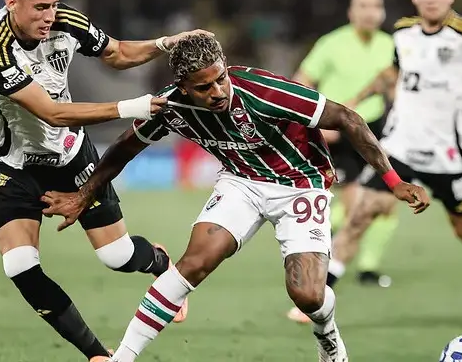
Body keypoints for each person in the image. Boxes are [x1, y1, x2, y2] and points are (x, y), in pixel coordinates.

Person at [41, 33, 431, 362]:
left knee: (308, 294)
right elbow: (124, 148)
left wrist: (393, 180)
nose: (217, 92)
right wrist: (83, 194)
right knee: (194, 263)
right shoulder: (169, 107)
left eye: (221, 79)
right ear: (182, 87)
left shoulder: (263, 91)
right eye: (204, 87)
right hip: (241, 181)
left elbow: (347, 118)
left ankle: (327, 334)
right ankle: (123, 357)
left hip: (301, 182)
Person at [0, 0, 208, 360]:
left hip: (68, 154)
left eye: (54, 4)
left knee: (116, 256)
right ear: (12, 3)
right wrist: (134, 106)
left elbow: (116, 53)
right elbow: (51, 112)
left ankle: (160, 262)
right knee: (20, 264)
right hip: (10, 163)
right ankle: (97, 354)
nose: (49, 16)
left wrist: (166, 43)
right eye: (40, 7)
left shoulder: (66, 20)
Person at [323, 0, 462, 289]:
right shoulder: (403, 32)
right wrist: (353, 104)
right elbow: (393, 73)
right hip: (399, 146)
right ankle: (319, 296)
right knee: (361, 214)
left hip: (447, 154)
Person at [293, 0, 398, 296]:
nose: (370, 12)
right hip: (338, 129)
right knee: (356, 204)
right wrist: (313, 119)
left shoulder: (390, 45)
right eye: (363, 6)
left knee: (388, 204)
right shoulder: (332, 43)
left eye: (376, 5)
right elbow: (302, 79)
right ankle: (330, 247)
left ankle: (368, 268)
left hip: (374, 128)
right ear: (351, 12)